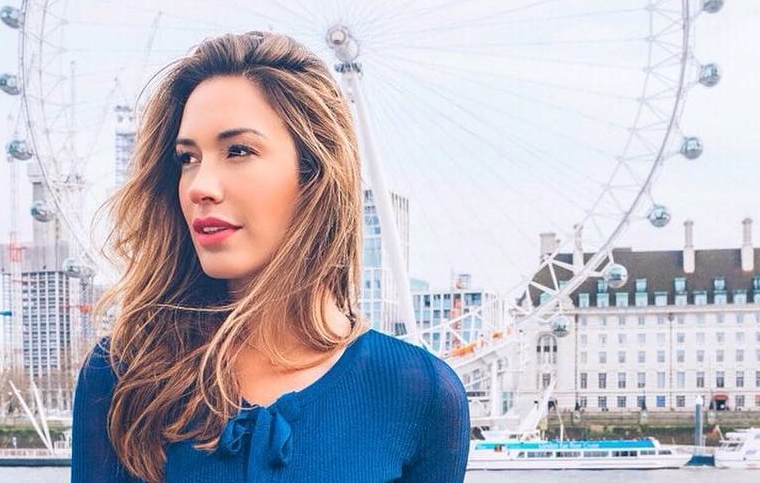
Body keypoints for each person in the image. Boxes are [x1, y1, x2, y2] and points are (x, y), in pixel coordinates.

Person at [72, 30, 469, 483]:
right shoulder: (124, 376)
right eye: (187, 158)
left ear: (313, 173)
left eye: (238, 151)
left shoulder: (419, 395)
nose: (200, 186)